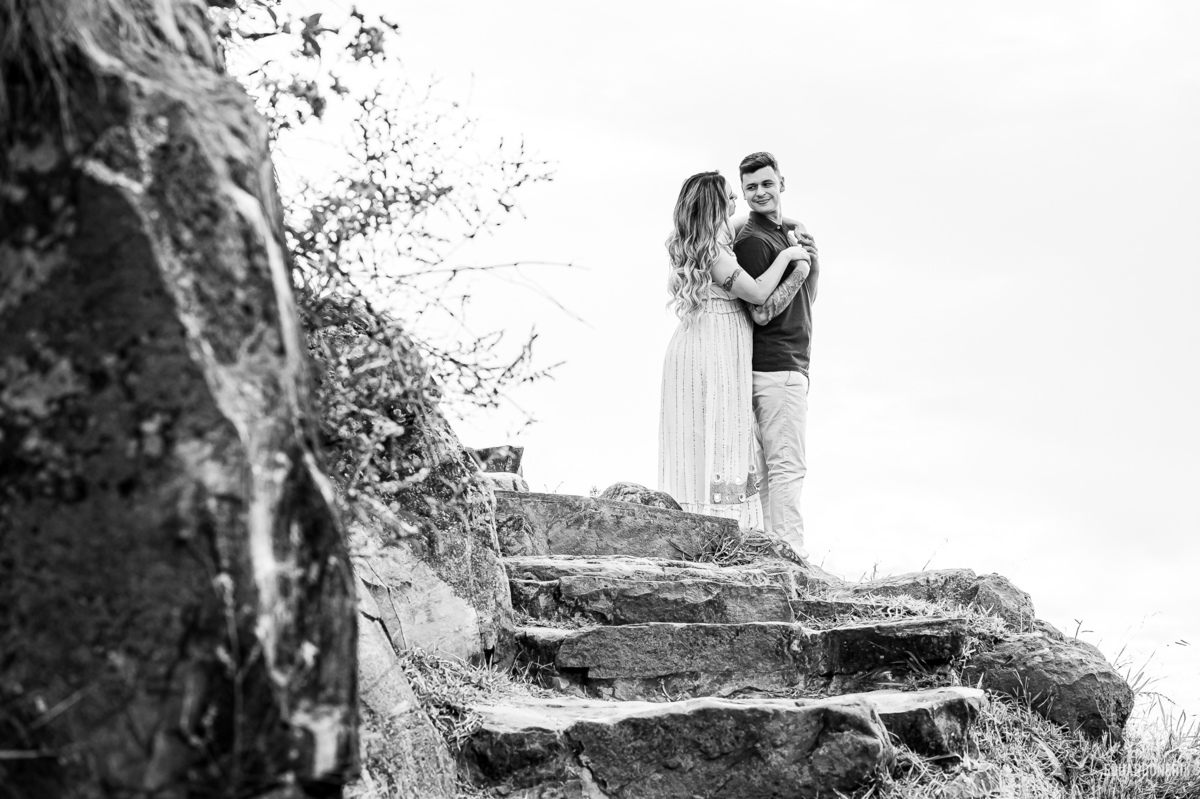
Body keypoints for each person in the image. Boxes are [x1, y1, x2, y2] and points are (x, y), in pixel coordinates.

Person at [658, 171, 810, 529]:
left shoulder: (714, 237)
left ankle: (714, 520)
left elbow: (751, 218)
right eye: (730, 196)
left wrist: (794, 222)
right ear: (714, 206)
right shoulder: (712, 252)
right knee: (714, 431)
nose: (736, 202)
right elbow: (757, 293)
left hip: (714, 344)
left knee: (715, 432)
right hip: (710, 348)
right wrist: (790, 256)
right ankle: (718, 522)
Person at [732, 151, 820, 560]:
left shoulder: (785, 234)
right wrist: (797, 268)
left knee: (772, 471)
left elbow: (803, 300)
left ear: (781, 183)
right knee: (787, 467)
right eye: (751, 187)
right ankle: (791, 555)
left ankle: (774, 552)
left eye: (767, 183)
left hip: (787, 364)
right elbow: (762, 312)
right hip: (776, 366)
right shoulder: (753, 240)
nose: (760, 192)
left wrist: (812, 267)